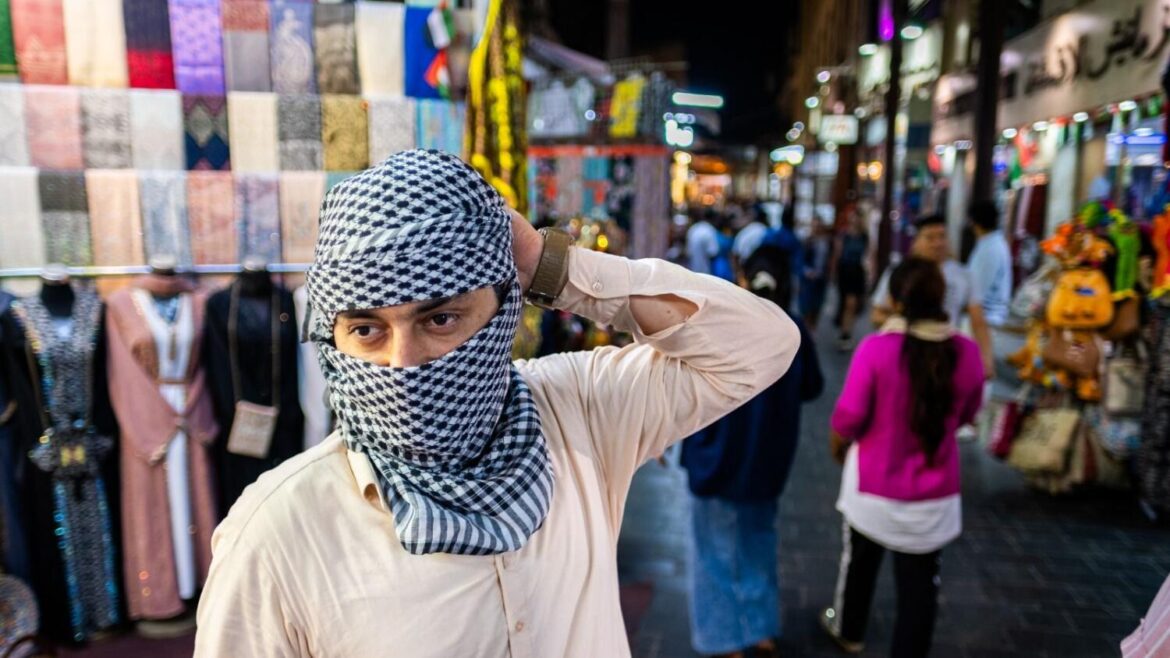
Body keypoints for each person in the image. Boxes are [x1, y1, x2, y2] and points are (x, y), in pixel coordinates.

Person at [194, 150, 801, 657]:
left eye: (441, 317)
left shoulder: (581, 413)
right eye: (367, 330)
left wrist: (551, 266)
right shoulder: (274, 536)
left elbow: (761, 343)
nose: (405, 365)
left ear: (505, 309)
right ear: (332, 338)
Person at [821, 258, 985, 658]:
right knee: (920, 590)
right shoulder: (966, 352)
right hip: (934, 499)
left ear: (895, 300)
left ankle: (850, 633)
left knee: (859, 566)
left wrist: (839, 448)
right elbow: (967, 413)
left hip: (872, 492)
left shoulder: (876, 349)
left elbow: (848, 417)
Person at [681, 245, 824, 658]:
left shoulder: (723, 325)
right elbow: (812, 388)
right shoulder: (793, 329)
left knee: (713, 552)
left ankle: (725, 638)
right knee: (757, 544)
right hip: (767, 463)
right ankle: (759, 629)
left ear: (744, 279)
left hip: (715, 459)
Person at [870, 214, 994, 379]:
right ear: (916, 241)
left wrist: (986, 358)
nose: (938, 243)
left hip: (945, 359)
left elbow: (978, 321)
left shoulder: (964, 276)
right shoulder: (899, 273)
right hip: (902, 357)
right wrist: (910, 325)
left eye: (942, 236)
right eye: (930, 237)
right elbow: (877, 314)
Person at [966, 200, 1013, 328]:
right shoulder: (990, 244)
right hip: (986, 316)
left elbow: (978, 288)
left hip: (987, 318)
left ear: (975, 223)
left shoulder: (990, 249)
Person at [832, 206, 870, 350]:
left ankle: (847, 332)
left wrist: (869, 271)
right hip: (845, 270)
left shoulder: (864, 236)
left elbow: (869, 254)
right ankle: (844, 330)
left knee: (852, 303)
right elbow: (838, 253)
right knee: (844, 302)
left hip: (857, 271)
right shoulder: (844, 234)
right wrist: (834, 271)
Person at [800, 221, 833, 331]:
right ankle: (806, 329)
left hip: (820, 278)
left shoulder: (827, 242)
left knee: (817, 305)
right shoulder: (808, 241)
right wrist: (807, 271)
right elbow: (801, 260)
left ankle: (812, 329)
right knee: (807, 305)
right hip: (809, 278)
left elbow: (829, 259)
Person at [687, 207, 722, 275]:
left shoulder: (694, 228)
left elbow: (688, 252)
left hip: (692, 271)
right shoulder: (709, 231)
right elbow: (713, 253)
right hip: (705, 273)